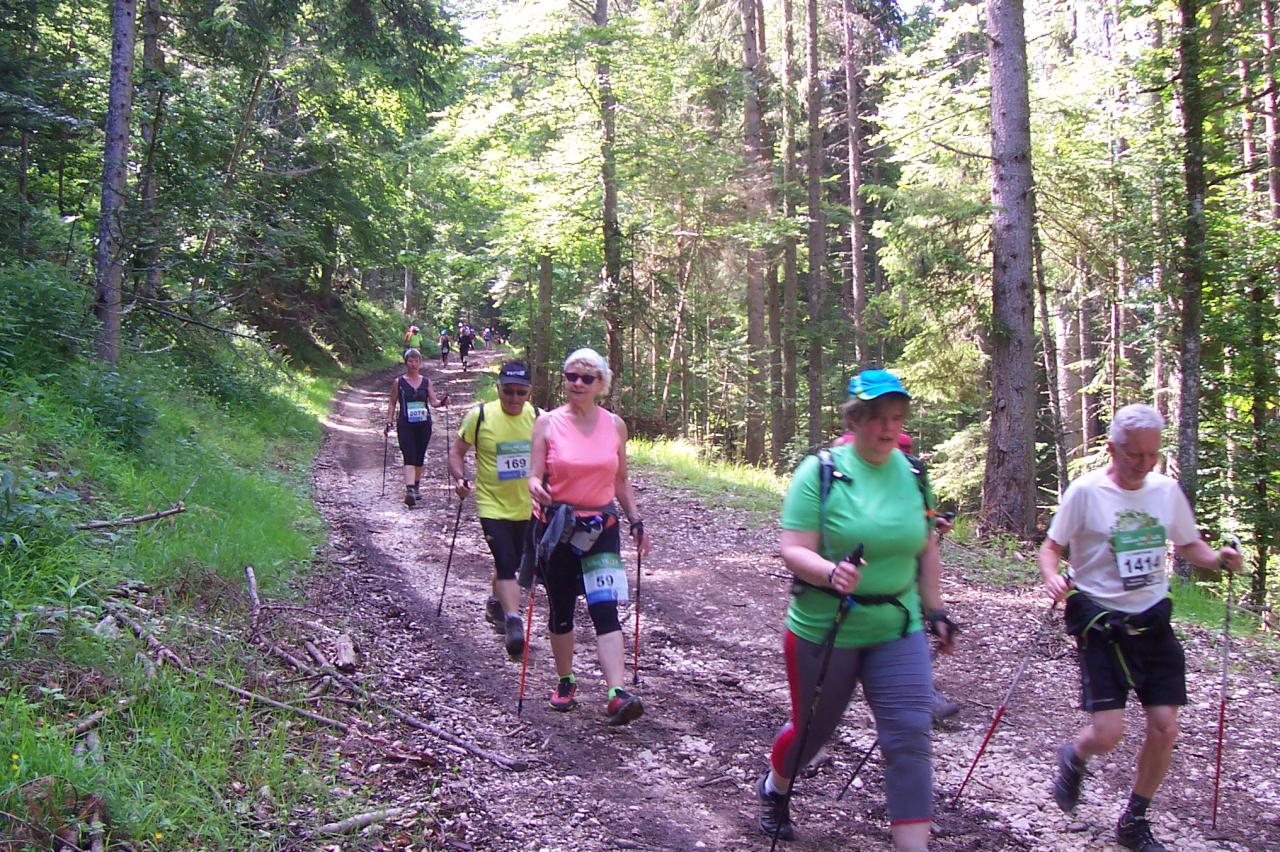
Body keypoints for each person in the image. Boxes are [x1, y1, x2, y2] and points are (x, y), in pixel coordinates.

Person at [757, 369, 956, 849]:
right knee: (812, 731)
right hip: (826, 627)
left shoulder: (914, 474)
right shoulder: (821, 471)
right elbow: (792, 548)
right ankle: (776, 786)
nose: (888, 429)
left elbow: (926, 547)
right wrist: (829, 572)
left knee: (909, 737)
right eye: (878, 418)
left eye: (897, 419)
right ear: (856, 418)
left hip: (897, 626)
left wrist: (936, 611)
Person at [1039, 403, 1242, 852]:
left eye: (1152, 455)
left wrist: (1219, 561)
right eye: (1134, 454)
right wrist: (1052, 576)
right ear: (1113, 448)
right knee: (1108, 735)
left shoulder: (1165, 491)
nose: (1144, 464)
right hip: (1101, 621)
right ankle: (1075, 754)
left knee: (1166, 726)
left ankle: (1134, 819)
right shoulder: (1086, 492)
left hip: (1153, 618)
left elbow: (1189, 544)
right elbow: (1051, 546)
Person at [527, 347, 652, 726]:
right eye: (571, 376)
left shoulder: (614, 425)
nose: (577, 383)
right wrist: (535, 487)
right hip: (558, 528)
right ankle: (565, 680)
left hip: (602, 530)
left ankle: (616, 694)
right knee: (562, 608)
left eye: (586, 378)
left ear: (602, 384)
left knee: (604, 607)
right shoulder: (546, 423)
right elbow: (534, 474)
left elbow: (620, 480)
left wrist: (635, 519)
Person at [448, 361, 539, 658]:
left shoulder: (539, 418)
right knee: (505, 558)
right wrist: (460, 478)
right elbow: (456, 453)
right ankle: (514, 621)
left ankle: (495, 603)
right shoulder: (481, 415)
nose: (513, 398)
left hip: (526, 507)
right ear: (498, 388)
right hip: (490, 504)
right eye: (508, 391)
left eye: (520, 392)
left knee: (508, 562)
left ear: (529, 392)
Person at [384, 348, 448, 507]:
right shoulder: (399, 382)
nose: (413, 364)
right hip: (405, 425)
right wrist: (389, 421)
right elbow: (392, 402)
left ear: (420, 363)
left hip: (424, 425)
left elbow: (433, 402)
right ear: (406, 363)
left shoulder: (426, 382)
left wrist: (442, 402)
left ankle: (416, 485)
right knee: (409, 455)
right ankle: (410, 490)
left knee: (419, 456)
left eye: (416, 361)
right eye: (410, 361)